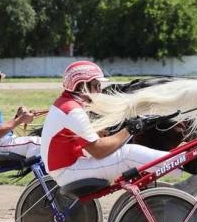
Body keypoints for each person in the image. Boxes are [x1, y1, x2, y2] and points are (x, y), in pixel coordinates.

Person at [40, 60, 176, 187]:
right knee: (128, 154)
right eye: (96, 86)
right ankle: (179, 163)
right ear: (81, 86)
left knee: (124, 151)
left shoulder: (65, 103)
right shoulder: (72, 110)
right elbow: (98, 151)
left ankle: (175, 160)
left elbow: (73, 139)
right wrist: (129, 129)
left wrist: (97, 134)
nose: (100, 90)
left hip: (66, 168)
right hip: (69, 172)